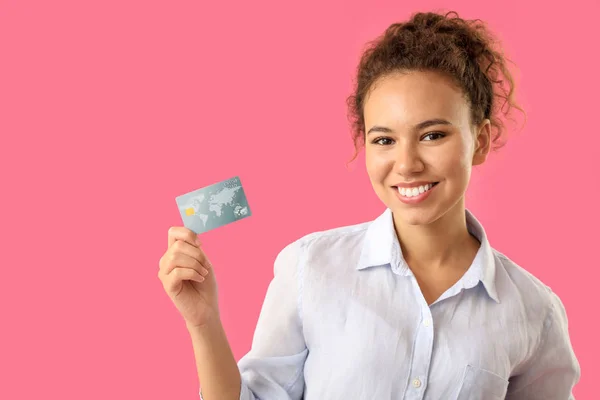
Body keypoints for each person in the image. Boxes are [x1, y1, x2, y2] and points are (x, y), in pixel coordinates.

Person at [158, 10, 580, 400]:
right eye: (384, 140)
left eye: (433, 135)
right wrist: (203, 322)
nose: (407, 163)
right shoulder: (310, 267)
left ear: (481, 141)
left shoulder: (534, 311)